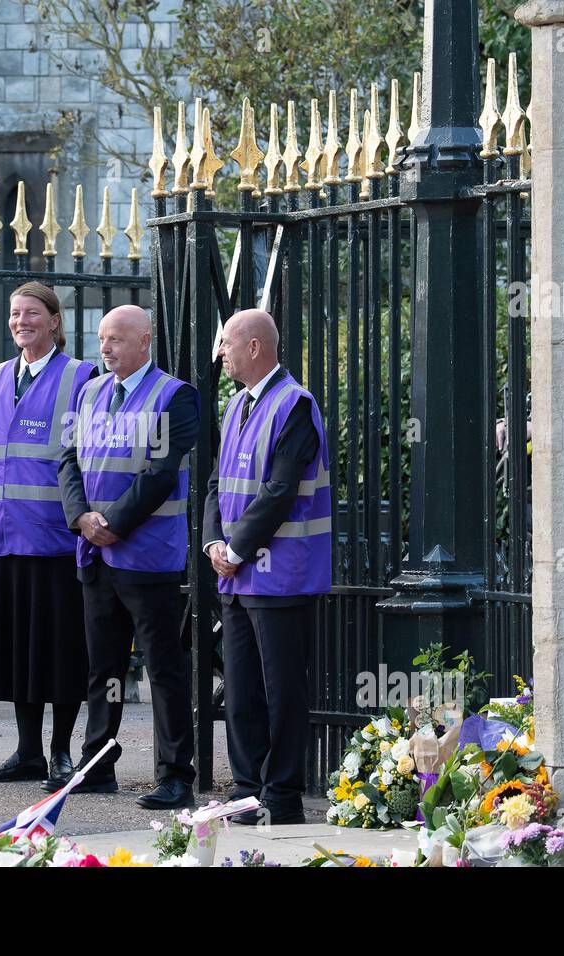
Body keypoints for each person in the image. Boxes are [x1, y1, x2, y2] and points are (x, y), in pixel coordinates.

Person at [55, 305, 199, 807]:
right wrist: (82, 518)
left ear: (145, 341)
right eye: (101, 339)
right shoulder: (90, 390)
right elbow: (68, 459)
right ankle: (97, 764)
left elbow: (160, 474)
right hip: (95, 553)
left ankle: (176, 773)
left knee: (163, 667)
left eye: (116, 339)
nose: (106, 348)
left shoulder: (175, 396)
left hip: (148, 557)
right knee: (104, 668)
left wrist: (113, 522)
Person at [204, 309, 332, 826]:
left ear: (255, 347)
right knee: (241, 690)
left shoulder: (295, 404)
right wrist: (215, 540)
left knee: (282, 692)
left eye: (227, 344)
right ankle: (247, 789)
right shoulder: (236, 403)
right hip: (236, 573)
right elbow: (216, 482)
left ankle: (282, 796)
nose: (221, 353)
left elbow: (280, 490)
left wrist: (232, 551)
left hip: (281, 576)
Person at [0, 282, 97, 784]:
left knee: (61, 650)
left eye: (31, 313)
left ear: (54, 321)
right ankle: (27, 750)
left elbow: (90, 461)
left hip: (56, 539)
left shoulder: (82, 377)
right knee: (17, 652)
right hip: (5, 538)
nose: (20, 321)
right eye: (13, 314)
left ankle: (61, 751)